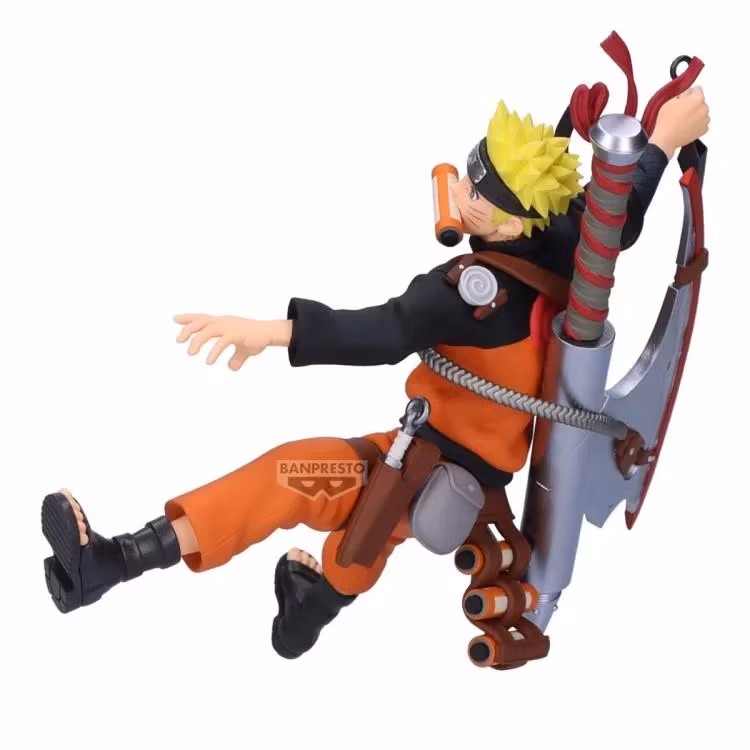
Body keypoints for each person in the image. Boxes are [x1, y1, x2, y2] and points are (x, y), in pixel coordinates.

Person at [41, 91, 709, 659]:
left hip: (424, 465)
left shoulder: (469, 292)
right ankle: (306, 611)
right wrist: (661, 140)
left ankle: (117, 563)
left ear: (511, 219)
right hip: (436, 459)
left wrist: (270, 332)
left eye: (476, 193)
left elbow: (383, 331)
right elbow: (615, 217)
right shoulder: (562, 246)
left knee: (288, 477)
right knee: (361, 527)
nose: (459, 194)